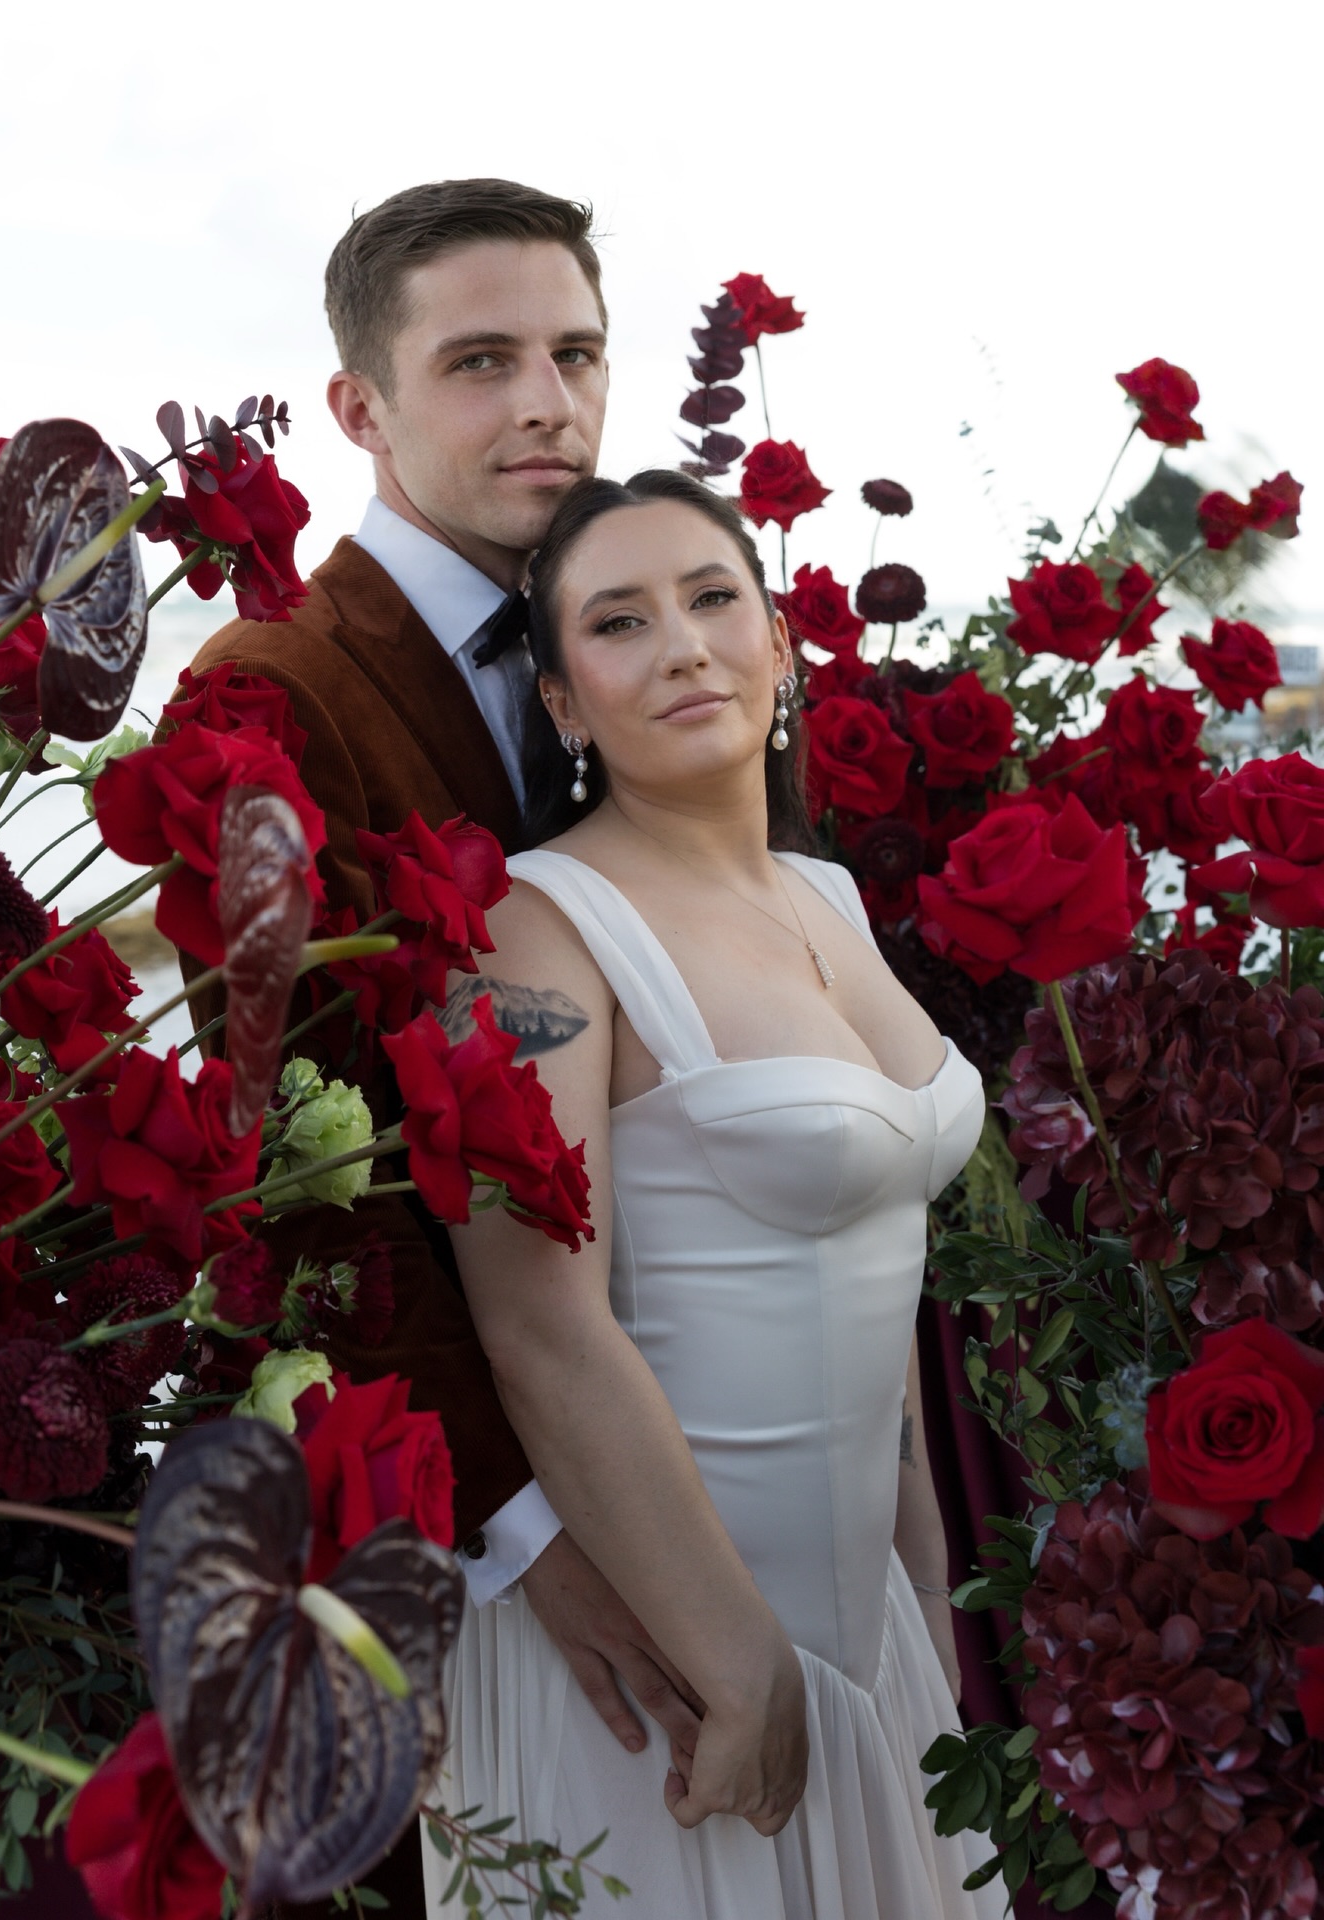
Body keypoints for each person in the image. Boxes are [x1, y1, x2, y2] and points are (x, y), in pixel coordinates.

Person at [178, 181, 706, 1916]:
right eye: (481, 361)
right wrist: (526, 1533)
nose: (548, 400)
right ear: (360, 408)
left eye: (576, 353)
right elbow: (297, 1163)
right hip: (476, 1531)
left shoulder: (628, 643)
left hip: (705, 1428)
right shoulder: (272, 686)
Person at [423, 469, 1006, 1919]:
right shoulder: (533, 930)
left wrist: (931, 1621)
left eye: (711, 599)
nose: (681, 644)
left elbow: (884, 1285)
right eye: (618, 623)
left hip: (877, 1651)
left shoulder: (830, 899)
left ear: (782, 644)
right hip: (669, 1668)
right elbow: (540, 1327)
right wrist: (737, 1663)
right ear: (562, 703)